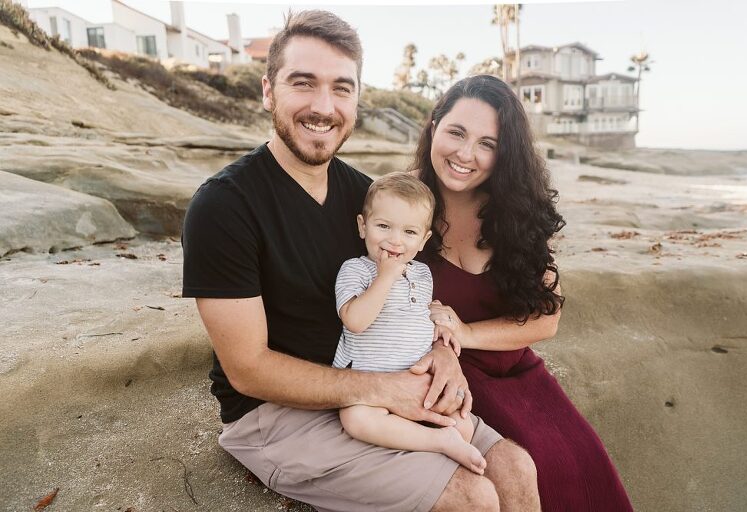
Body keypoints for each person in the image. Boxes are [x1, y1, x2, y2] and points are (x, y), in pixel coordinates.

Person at [182, 11, 541, 512]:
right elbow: (247, 369)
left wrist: (440, 354)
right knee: (472, 495)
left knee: (515, 468)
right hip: (275, 413)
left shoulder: (365, 198)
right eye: (303, 83)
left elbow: (406, 294)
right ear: (268, 91)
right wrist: (385, 391)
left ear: (356, 99)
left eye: (341, 88)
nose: (323, 107)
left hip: (373, 382)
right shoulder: (224, 206)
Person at [412, 74, 634, 511]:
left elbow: (545, 318)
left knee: (579, 460)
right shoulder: (400, 201)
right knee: (520, 467)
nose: (465, 154)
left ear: (503, 153)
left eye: (487, 144)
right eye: (456, 132)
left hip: (517, 370)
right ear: (434, 126)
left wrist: (464, 331)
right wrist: (445, 346)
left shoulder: (516, 212)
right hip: (447, 376)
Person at [332, 172, 486, 475]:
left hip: (417, 381)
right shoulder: (356, 270)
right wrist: (386, 276)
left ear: (424, 239)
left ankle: (433, 450)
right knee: (355, 420)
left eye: (409, 232)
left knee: (462, 422)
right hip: (369, 385)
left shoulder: (421, 274)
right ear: (363, 226)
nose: (394, 240)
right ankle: (436, 442)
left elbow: (415, 311)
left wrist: (437, 322)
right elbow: (355, 321)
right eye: (383, 226)